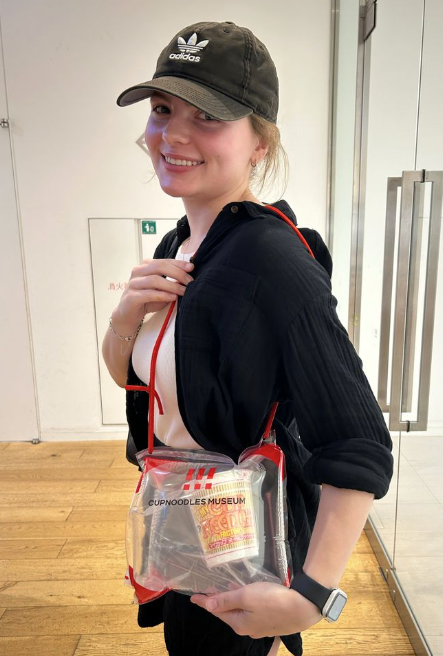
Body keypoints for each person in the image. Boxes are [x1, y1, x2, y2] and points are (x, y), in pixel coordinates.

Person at [102, 21, 394, 656]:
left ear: (260, 141)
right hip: (179, 519)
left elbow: (360, 443)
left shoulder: (271, 260)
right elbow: (134, 378)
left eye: (207, 116)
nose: (173, 134)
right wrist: (126, 315)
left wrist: (312, 596)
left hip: (236, 543)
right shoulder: (181, 244)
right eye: (162, 109)